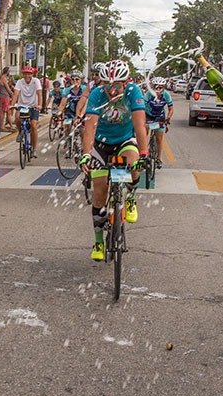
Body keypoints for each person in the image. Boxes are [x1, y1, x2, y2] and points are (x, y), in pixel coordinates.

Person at [79, 60, 148, 260]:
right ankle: (99, 242)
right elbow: (90, 127)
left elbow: (139, 125)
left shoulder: (133, 92)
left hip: (124, 141)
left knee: (134, 166)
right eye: (106, 84)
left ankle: (131, 197)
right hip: (101, 144)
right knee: (100, 193)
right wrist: (86, 154)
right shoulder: (97, 94)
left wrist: (143, 155)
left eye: (115, 84)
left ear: (125, 83)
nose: (110, 89)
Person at [9, 66, 43, 159]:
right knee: (17, 118)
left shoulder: (36, 81)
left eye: (29, 74)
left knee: (33, 125)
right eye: (25, 74)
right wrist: (12, 105)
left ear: (32, 74)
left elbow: (39, 93)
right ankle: (20, 132)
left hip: (33, 106)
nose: (27, 76)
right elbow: (16, 94)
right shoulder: (20, 82)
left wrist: (40, 105)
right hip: (22, 105)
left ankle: (34, 149)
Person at [144, 77, 174, 169]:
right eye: (156, 87)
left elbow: (171, 109)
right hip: (148, 115)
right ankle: (144, 154)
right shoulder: (149, 94)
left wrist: (168, 119)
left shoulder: (166, 95)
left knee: (159, 138)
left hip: (159, 116)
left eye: (160, 87)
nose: (158, 90)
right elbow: (141, 106)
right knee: (144, 133)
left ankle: (159, 158)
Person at [56, 71, 85, 136]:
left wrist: (80, 115)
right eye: (72, 79)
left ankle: (83, 145)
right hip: (70, 110)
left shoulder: (84, 89)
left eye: (77, 79)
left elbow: (86, 104)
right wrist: (57, 114)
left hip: (81, 111)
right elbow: (62, 104)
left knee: (82, 131)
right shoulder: (67, 90)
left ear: (80, 80)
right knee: (67, 125)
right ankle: (67, 142)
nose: (75, 81)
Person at [0, 67, 14, 131]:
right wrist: (12, 94)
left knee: (7, 112)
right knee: (5, 112)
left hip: (4, 96)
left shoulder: (2, 78)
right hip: (5, 96)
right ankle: (3, 126)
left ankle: (9, 125)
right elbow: (7, 88)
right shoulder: (3, 78)